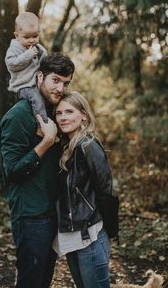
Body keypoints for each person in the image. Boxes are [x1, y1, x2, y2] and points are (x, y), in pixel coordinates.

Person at [0, 54, 75, 288]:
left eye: (65, 83)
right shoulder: (18, 116)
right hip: (31, 216)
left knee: (42, 282)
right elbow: (11, 170)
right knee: (30, 282)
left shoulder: (53, 113)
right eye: (56, 80)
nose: (60, 88)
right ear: (40, 76)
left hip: (51, 214)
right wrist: (45, 143)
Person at [53, 91, 113, 288]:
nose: (63, 117)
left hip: (91, 236)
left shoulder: (89, 146)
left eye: (69, 111)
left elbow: (106, 192)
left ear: (84, 115)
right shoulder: (65, 147)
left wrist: (108, 229)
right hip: (72, 236)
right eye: (59, 113)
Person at [5, 11, 48, 132]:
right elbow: (12, 64)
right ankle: (42, 127)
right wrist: (28, 55)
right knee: (36, 99)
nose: (32, 40)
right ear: (16, 35)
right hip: (23, 86)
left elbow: (45, 61)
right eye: (27, 37)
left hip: (35, 83)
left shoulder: (37, 48)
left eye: (35, 36)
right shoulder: (14, 49)